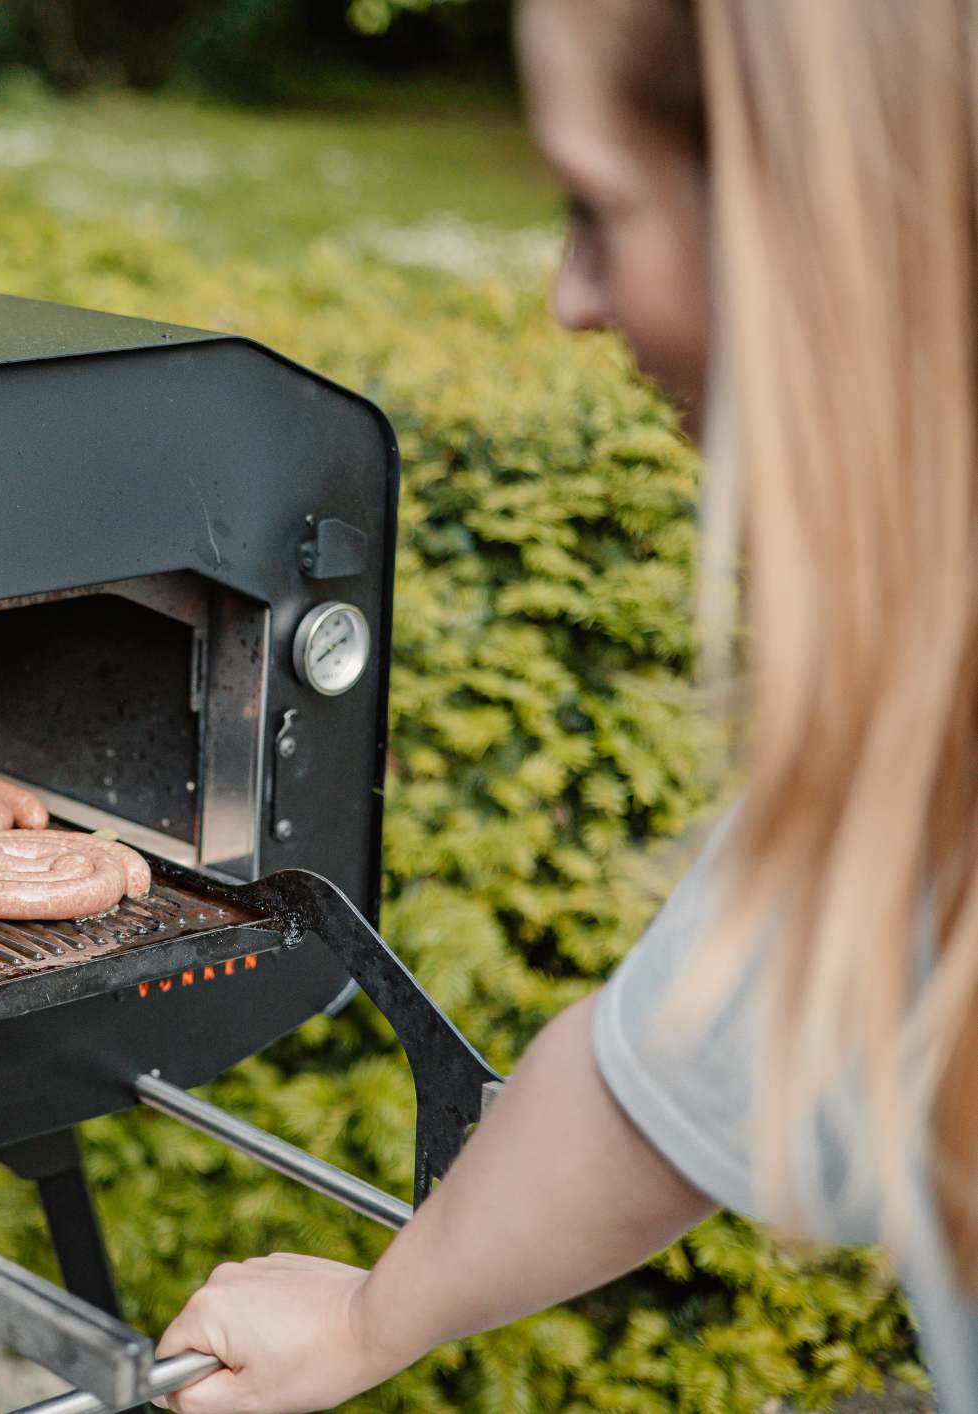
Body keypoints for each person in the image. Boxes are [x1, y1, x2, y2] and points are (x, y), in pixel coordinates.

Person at [154, 0, 978, 1409]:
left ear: (818, 217)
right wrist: (371, 1315)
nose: (568, 300)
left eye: (597, 209)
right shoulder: (929, 717)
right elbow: (664, 1077)